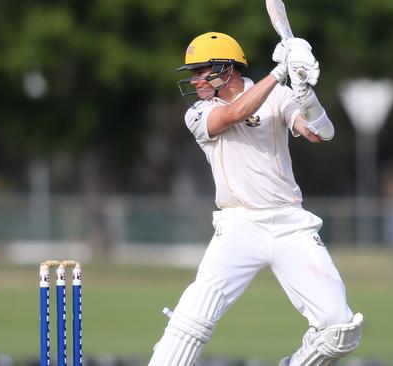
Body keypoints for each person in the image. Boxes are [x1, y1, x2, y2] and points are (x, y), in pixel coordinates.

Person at [148, 32, 363, 366]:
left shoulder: (280, 96)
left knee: (340, 329)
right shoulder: (200, 112)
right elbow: (234, 114)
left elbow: (321, 133)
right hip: (239, 226)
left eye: (201, 71)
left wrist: (305, 92)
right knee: (192, 320)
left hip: (290, 223)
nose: (194, 80)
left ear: (226, 68)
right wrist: (279, 73)